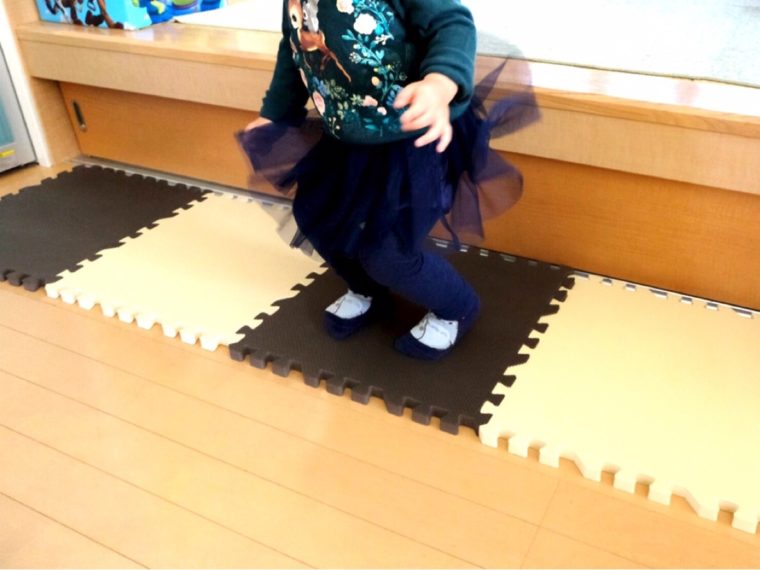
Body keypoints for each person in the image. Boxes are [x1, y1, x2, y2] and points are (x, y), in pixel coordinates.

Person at [240, 0, 527, 360]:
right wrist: (274, 113)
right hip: (345, 140)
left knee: (386, 253)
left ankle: (457, 306)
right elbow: (294, 46)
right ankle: (367, 290)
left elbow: (452, 23)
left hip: (411, 142)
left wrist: (439, 84)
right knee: (320, 221)